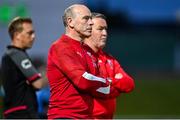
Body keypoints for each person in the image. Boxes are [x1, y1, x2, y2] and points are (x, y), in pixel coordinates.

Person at [46, 4, 124, 119]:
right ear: (70, 22)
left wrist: (111, 88)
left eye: (91, 19)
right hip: (65, 116)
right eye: (86, 18)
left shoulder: (87, 51)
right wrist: (112, 82)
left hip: (86, 117)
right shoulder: (61, 47)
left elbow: (95, 85)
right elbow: (83, 80)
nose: (91, 23)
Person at [83, 12, 135, 119]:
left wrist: (108, 81)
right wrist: (115, 85)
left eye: (106, 29)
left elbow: (129, 84)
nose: (105, 33)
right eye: (100, 29)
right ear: (88, 31)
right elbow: (93, 88)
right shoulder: (81, 56)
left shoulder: (109, 59)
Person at [1, 17, 44, 118]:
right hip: (22, 114)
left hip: (14, 112)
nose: (33, 36)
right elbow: (38, 84)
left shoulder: (9, 55)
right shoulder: (17, 54)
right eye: (30, 33)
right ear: (17, 35)